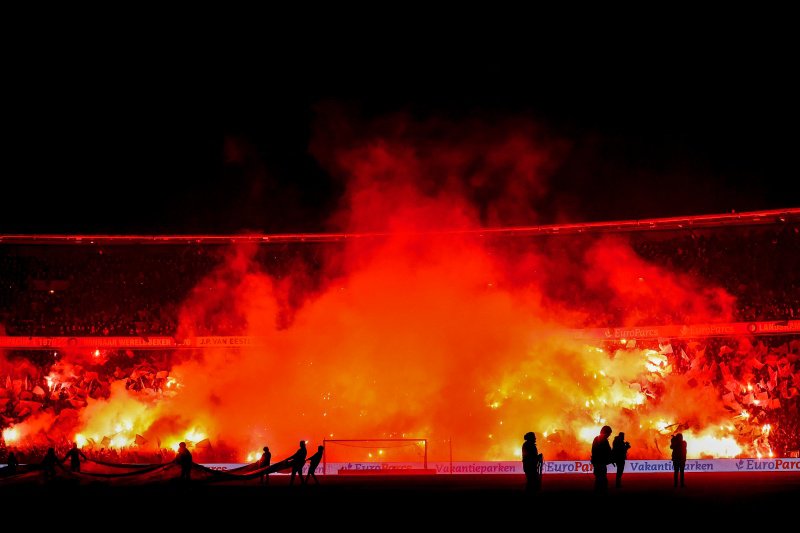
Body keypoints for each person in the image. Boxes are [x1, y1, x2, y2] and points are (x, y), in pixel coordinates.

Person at [591, 425, 613, 492]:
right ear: (606, 432)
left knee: (598, 479)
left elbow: (593, 450)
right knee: (602, 479)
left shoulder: (596, 438)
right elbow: (607, 451)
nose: (609, 435)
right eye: (609, 434)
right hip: (601, 463)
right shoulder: (603, 439)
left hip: (596, 462)